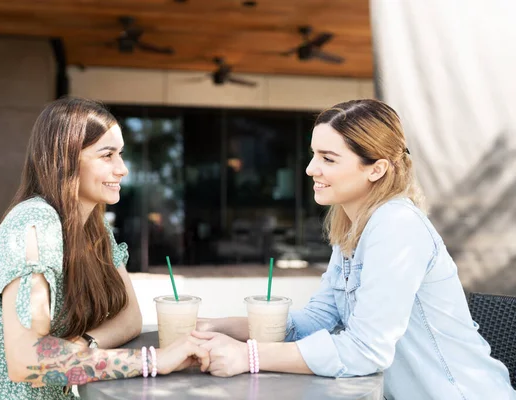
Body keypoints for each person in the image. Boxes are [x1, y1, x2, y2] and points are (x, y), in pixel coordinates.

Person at [193, 99, 515, 399]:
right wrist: (216, 326)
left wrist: (248, 356)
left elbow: (365, 351)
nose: (310, 169)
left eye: (328, 159)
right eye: (314, 154)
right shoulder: (352, 226)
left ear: (376, 169)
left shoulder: (397, 226)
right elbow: (319, 320)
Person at [0, 98, 209, 399]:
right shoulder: (34, 225)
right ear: (65, 159)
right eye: (107, 155)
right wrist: (152, 361)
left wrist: (84, 344)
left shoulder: (94, 226)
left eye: (120, 154)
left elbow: (130, 317)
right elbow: (26, 362)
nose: (122, 169)